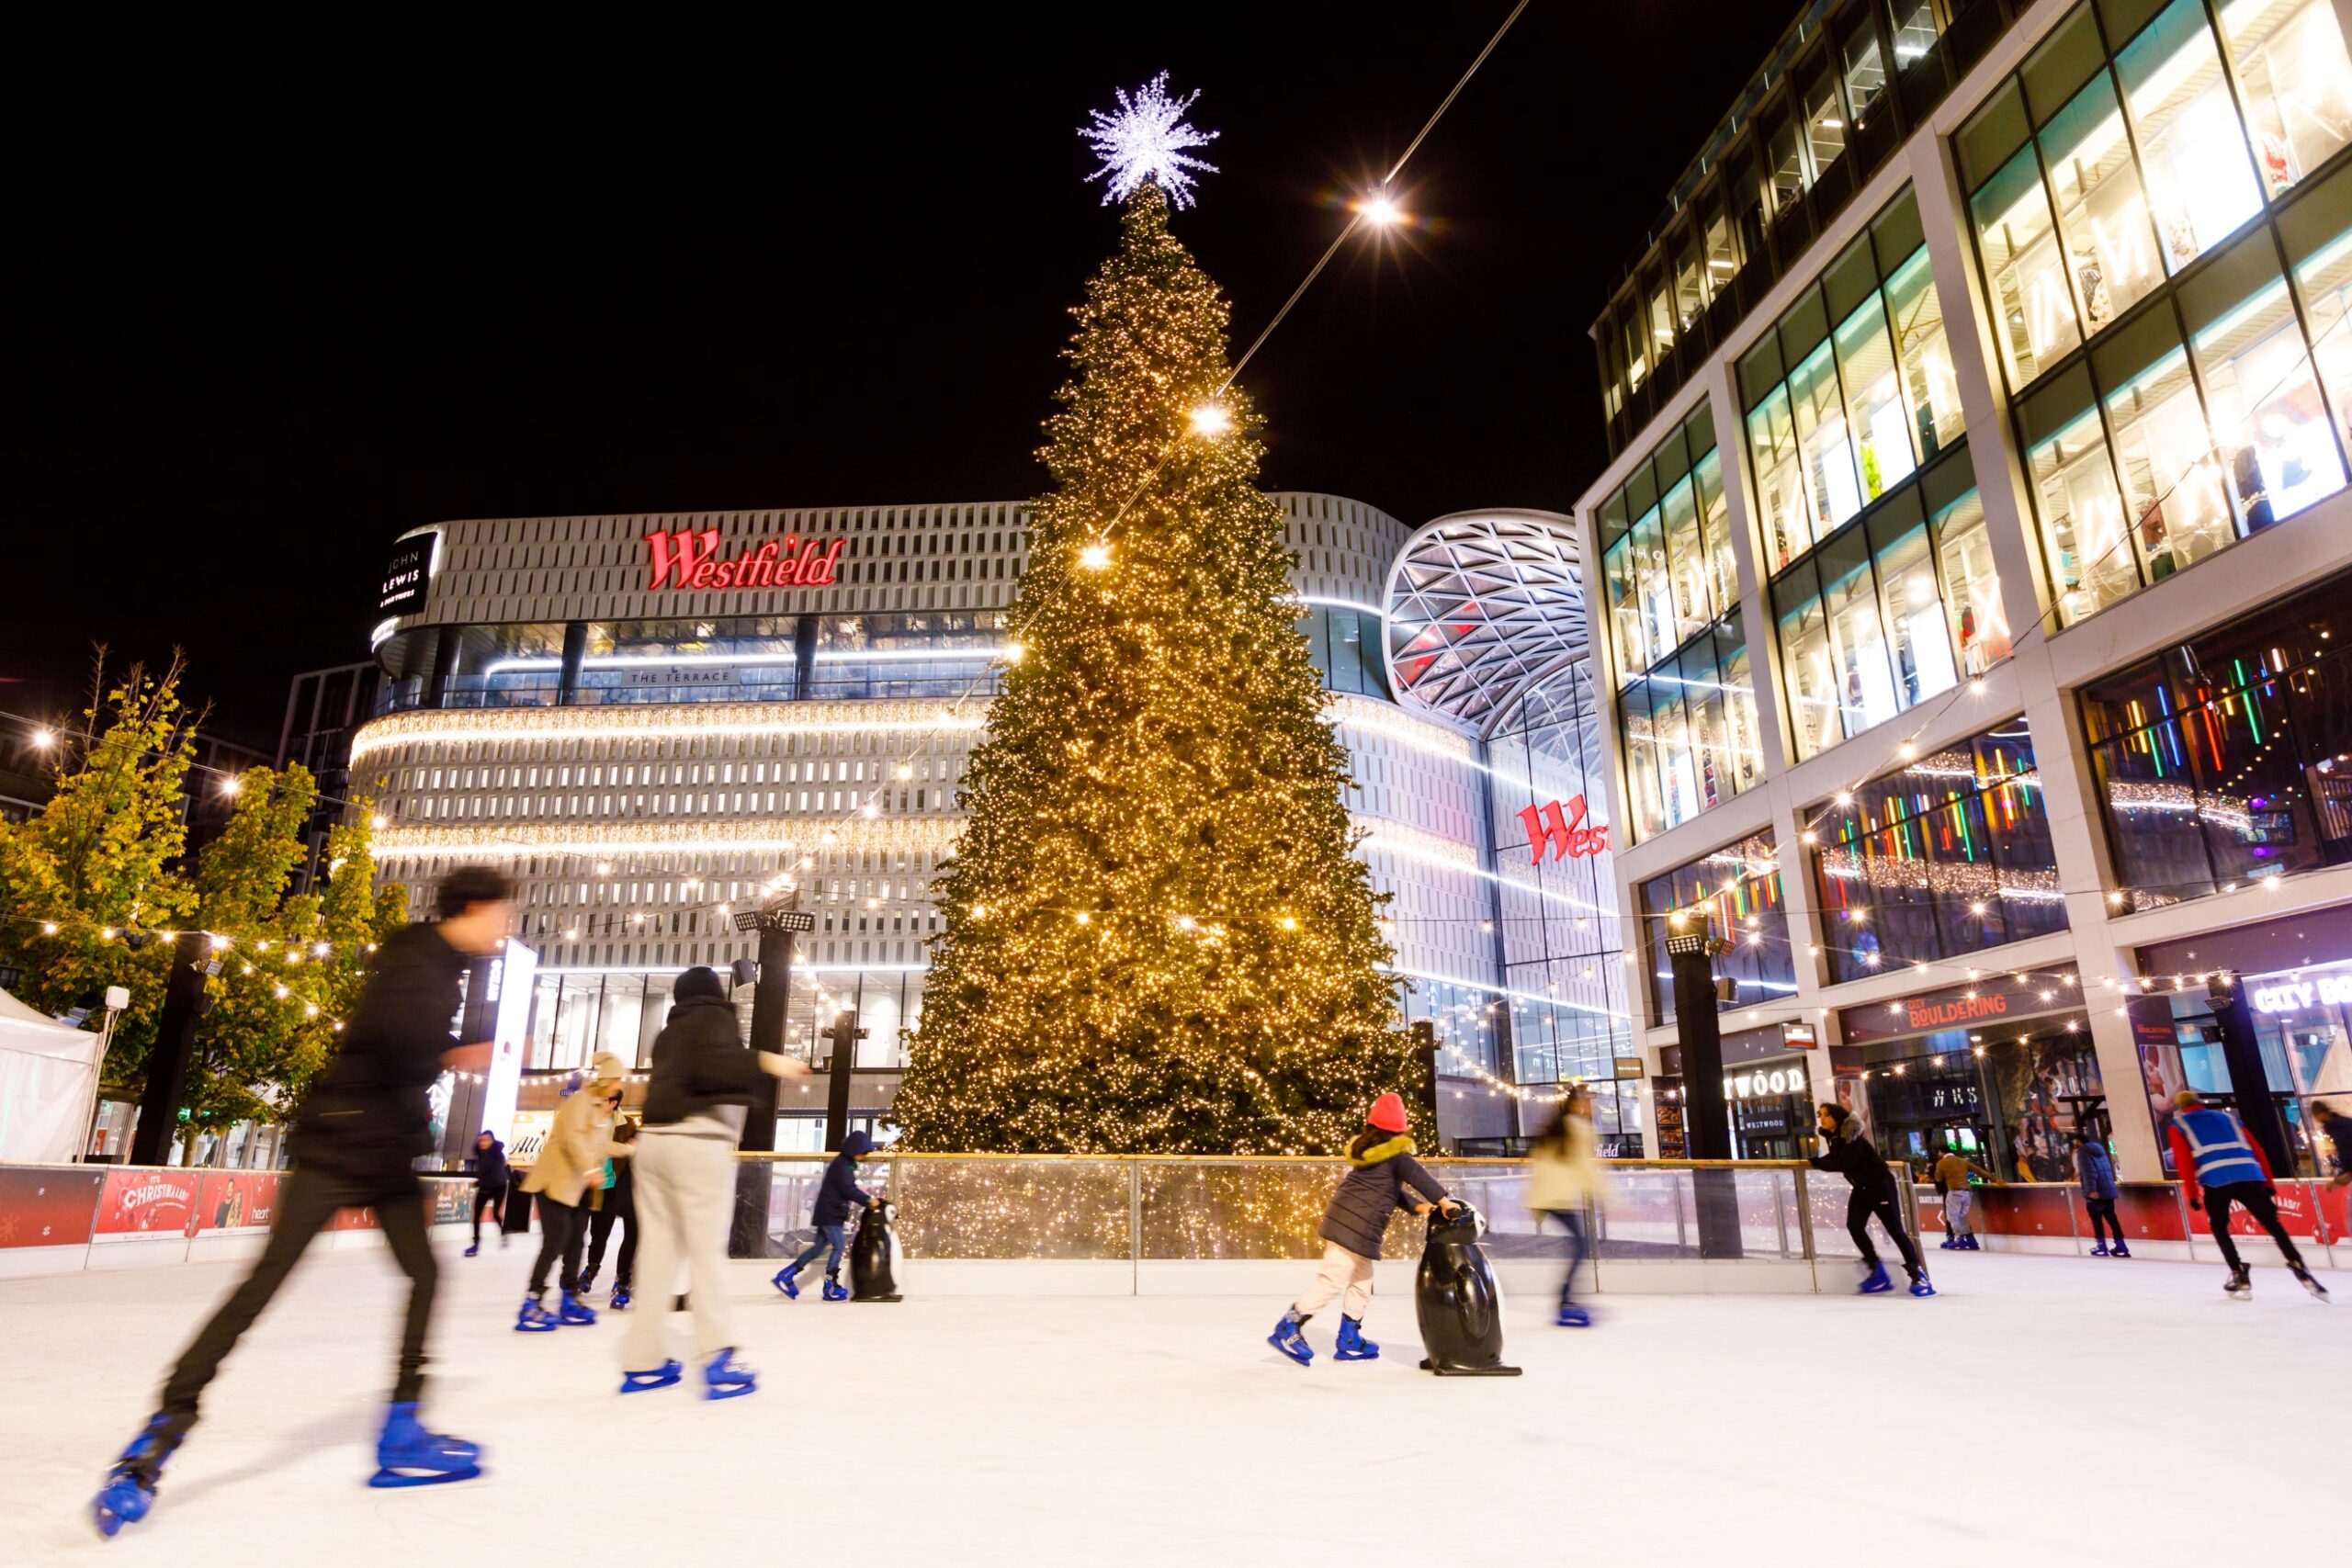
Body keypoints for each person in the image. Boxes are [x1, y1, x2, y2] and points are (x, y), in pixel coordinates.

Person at [92, 866, 514, 1536]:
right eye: (502, 912)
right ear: (477, 907)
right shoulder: (419, 956)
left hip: (375, 1144)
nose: (506, 926)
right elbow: (396, 1041)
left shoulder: (434, 961)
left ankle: (401, 1425)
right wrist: (462, 1053)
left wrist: (445, 1055)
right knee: (267, 1285)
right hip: (349, 1141)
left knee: (414, 1274)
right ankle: (161, 1433)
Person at [619, 965, 808, 1398]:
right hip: (697, 1144)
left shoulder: (667, 1035)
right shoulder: (713, 1018)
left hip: (653, 1144)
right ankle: (719, 1356)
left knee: (658, 1255)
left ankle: (642, 1361)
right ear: (713, 993)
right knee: (705, 1254)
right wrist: (769, 1062)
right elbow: (717, 1065)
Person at [1267, 1092, 1457, 1366]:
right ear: (1399, 1128)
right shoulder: (1397, 1156)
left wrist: (1420, 1207)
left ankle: (1349, 1339)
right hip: (1352, 1227)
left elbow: (1390, 1190)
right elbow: (1418, 1176)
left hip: (1352, 1225)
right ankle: (1288, 1327)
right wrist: (1444, 1202)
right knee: (1332, 1280)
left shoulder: (1373, 1155)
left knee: (1362, 1282)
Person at [2165, 1090, 2327, 1301]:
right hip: (2249, 1175)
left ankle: (2238, 1272)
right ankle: (2298, 1264)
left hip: (2216, 1180)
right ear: (2199, 1102)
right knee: (2272, 1224)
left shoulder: (2179, 1125)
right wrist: (2268, 1182)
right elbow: (2257, 1149)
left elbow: (2184, 1161)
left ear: (2180, 1107)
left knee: (2219, 1227)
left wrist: (2193, 1194)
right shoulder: (2230, 1119)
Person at [517, 1053, 624, 1331]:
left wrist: (633, 1149)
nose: (619, 1086)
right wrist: (590, 1171)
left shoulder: (599, 1109)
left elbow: (600, 1146)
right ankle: (531, 1302)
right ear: (606, 1079)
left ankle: (569, 1298)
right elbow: (572, 1137)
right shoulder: (580, 1101)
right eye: (616, 1080)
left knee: (576, 1242)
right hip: (553, 1182)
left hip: (574, 1189)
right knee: (555, 1242)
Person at [1810, 1102, 1932, 1297]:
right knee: (1854, 1226)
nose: (1822, 1119)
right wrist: (1816, 1161)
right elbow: (1835, 1157)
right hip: (1862, 1187)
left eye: (1826, 1114)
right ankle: (1877, 1270)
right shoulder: (1835, 1138)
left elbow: (1844, 1162)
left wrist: (1816, 1163)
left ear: (1837, 1117)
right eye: (1820, 1115)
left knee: (1895, 1229)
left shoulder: (1852, 1137)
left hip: (1879, 1185)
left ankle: (1918, 1275)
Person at [1525, 1085, 1609, 1326]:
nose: (1592, 1107)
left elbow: (1539, 1164)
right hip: (1556, 1198)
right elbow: (1589, 1168)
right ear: (1576, 1105)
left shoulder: (1556, 1128)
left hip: (1550, 1198)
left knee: (1579, 1245)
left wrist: (1536, 1203)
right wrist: (1612, 1198)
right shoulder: (1578, 1129)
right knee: (1581, 1245)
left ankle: (1566, 1298)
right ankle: (1565, 1299)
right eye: (1587, 1102)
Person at [774, 1128, 881, 1302]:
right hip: (831, 1214)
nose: (863, 1157)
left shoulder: (844, 1164)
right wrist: (869, 1201)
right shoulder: (842, 1166)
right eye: (863, 1153)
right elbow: (848, 1190)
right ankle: (830, 1286)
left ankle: (787, 1275)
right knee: (839, 1245)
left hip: (828, 1213)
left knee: (818, 1248)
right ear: (855, 1150)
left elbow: (847, 1189)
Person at [582, 1110, 639, 1309]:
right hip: (594, 1186)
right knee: (593, 1233)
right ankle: (587, 1271)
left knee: (630, 1236)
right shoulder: (589, 1119)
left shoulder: (628, 1125)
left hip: (622, 1187)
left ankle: (622, 1281)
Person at [2072, 1131, 2128, 1258]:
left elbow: (2089, 1172)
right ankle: (2121, 1246)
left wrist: (2091, 1190)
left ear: (2079, 1141)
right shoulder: (2100, 1151)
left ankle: (2101, 1246)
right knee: (2112, 1219)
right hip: (2108, 1191)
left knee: (2097, 1220)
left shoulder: (2083, 1153)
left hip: (2096, 1192)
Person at [1931, 1143, 1995, 1252]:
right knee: (1962, 1218)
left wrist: (1936, 1172)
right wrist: (1995, 1179)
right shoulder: (1962, 1161)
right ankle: (1971, 1240)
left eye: (1939, 1153)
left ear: (1942, 1152)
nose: (1938, 1154)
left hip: (1954, 1193)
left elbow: (1938, 1178)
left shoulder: (1941, 1163)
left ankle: (1960, 1238)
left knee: (1952, 1218)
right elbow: (1979, 1171)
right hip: (1966, 1193)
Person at [464, 1130, 509, 1257]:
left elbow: (495, 1174)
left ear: (492, 1141)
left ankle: (503, 1233)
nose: (483, 1143)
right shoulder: (481, 1152)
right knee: (477, 1215)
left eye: (486, 1140)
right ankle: (476, 1244)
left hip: (499, 1186)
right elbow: (474, 1149)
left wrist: (478, 1183)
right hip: (485, 1185)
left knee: (495, 1213)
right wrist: (477, 1137)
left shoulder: (497, 1154)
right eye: (481, 1140)